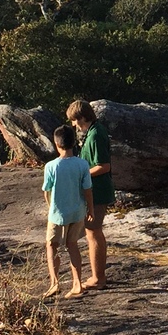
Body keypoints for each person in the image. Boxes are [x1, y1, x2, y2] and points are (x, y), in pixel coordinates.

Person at [40, 124, 93, 298]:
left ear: (56, 144)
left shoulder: (51, 166)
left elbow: (46, 190)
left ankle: (55, 283)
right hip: (77, 211)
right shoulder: (82, 164)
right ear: (73, 143)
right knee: (73, 245)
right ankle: (77, 283)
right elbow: (87, 189)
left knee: (51, 245)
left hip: (57, 213)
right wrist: (90, 209)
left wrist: (50, 208)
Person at [66, 99, 112, 288]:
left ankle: (98, 278)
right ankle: (97, 276)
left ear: (83, 117)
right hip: (93, 191)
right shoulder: (92, 133)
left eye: (75, 120)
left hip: (99, 191)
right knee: (91, 232)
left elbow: (104, 166)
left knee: (94, 233)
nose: (74, 124)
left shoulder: (95, 135)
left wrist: (80, 174)